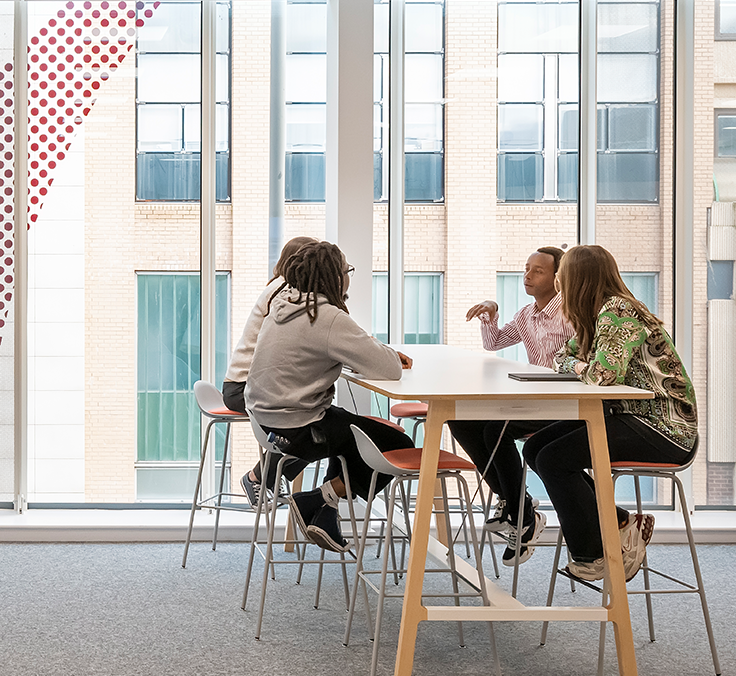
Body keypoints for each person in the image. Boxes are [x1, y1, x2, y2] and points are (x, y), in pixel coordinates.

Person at [523, 244, 697, 584]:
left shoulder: (619, 311)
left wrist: (578, 365)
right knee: (535, 450)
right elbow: (561, 357)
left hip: (663, 428)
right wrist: (580, 364)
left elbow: (602, 376)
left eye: (562, 275)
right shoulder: (594, 316)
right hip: (629, 417)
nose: (557, 281)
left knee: (555, 459)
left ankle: (592, 556)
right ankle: (620, 522)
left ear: (577, 279)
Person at [244, 240, 416, 552]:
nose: (349, 276)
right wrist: (378, 353)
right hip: (300, 427)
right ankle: (317, 500)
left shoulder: (282, 307)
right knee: (396, 444)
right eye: (347, 270)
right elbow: (389, 368)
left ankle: (324, 512)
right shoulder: (326, 317)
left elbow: (316, 350)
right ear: (334, 277)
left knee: (353, 437)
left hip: (268, 423)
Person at [446, 245, 572, 566]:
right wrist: (491, 312)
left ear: (558, 279)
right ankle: (518, 506)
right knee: (461, 422)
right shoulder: (527, 315)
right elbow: (495, 343)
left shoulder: (569, 313)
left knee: (495, 430)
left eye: (537, 271)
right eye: (526, 269)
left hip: (564, 405)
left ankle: (520, 514)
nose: (527, 276)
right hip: (534, 402)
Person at [220, 236, 320, 414]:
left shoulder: (279, 285)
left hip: (240, 386)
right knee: (310, 407)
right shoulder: (285, 292)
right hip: (242, 389)